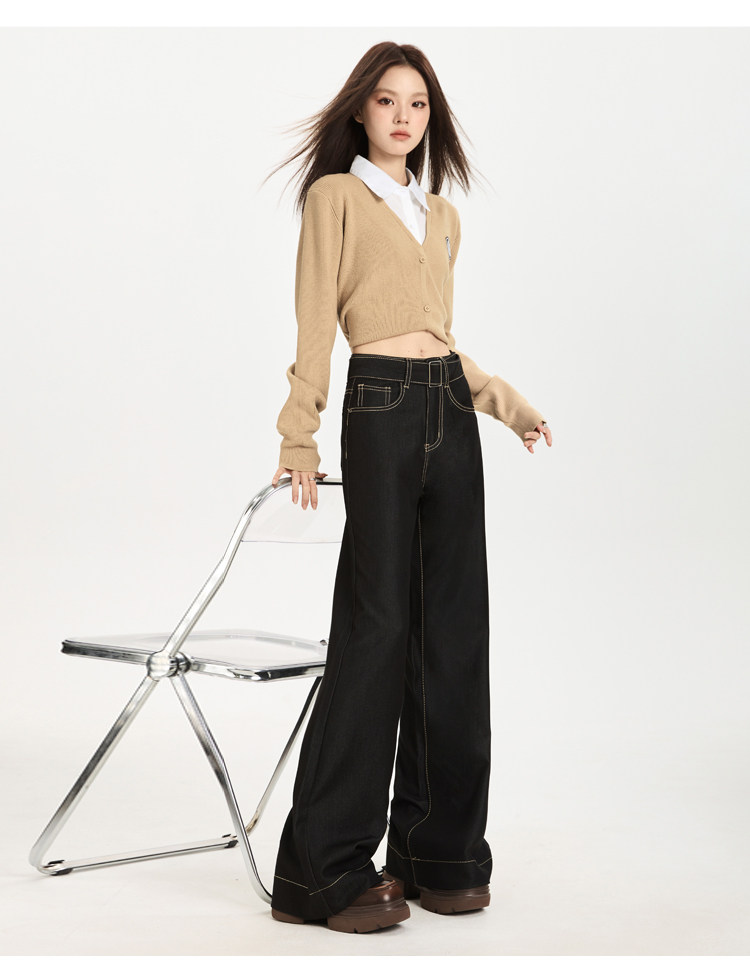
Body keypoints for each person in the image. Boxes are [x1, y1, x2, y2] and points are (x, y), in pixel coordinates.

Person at [265, 41, 552, 934]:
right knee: (378, 626)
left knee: (455, 631)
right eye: (387, 101)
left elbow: (439, 335)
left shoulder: (442, 216)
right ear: (361, 109)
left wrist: (505, 403)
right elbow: (317, 321)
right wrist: (299, 431)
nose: (403, 116)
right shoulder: (335, 197)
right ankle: (322, 870)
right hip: (381, 407)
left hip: (450, 412)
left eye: (417, 104)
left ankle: (441, 855)